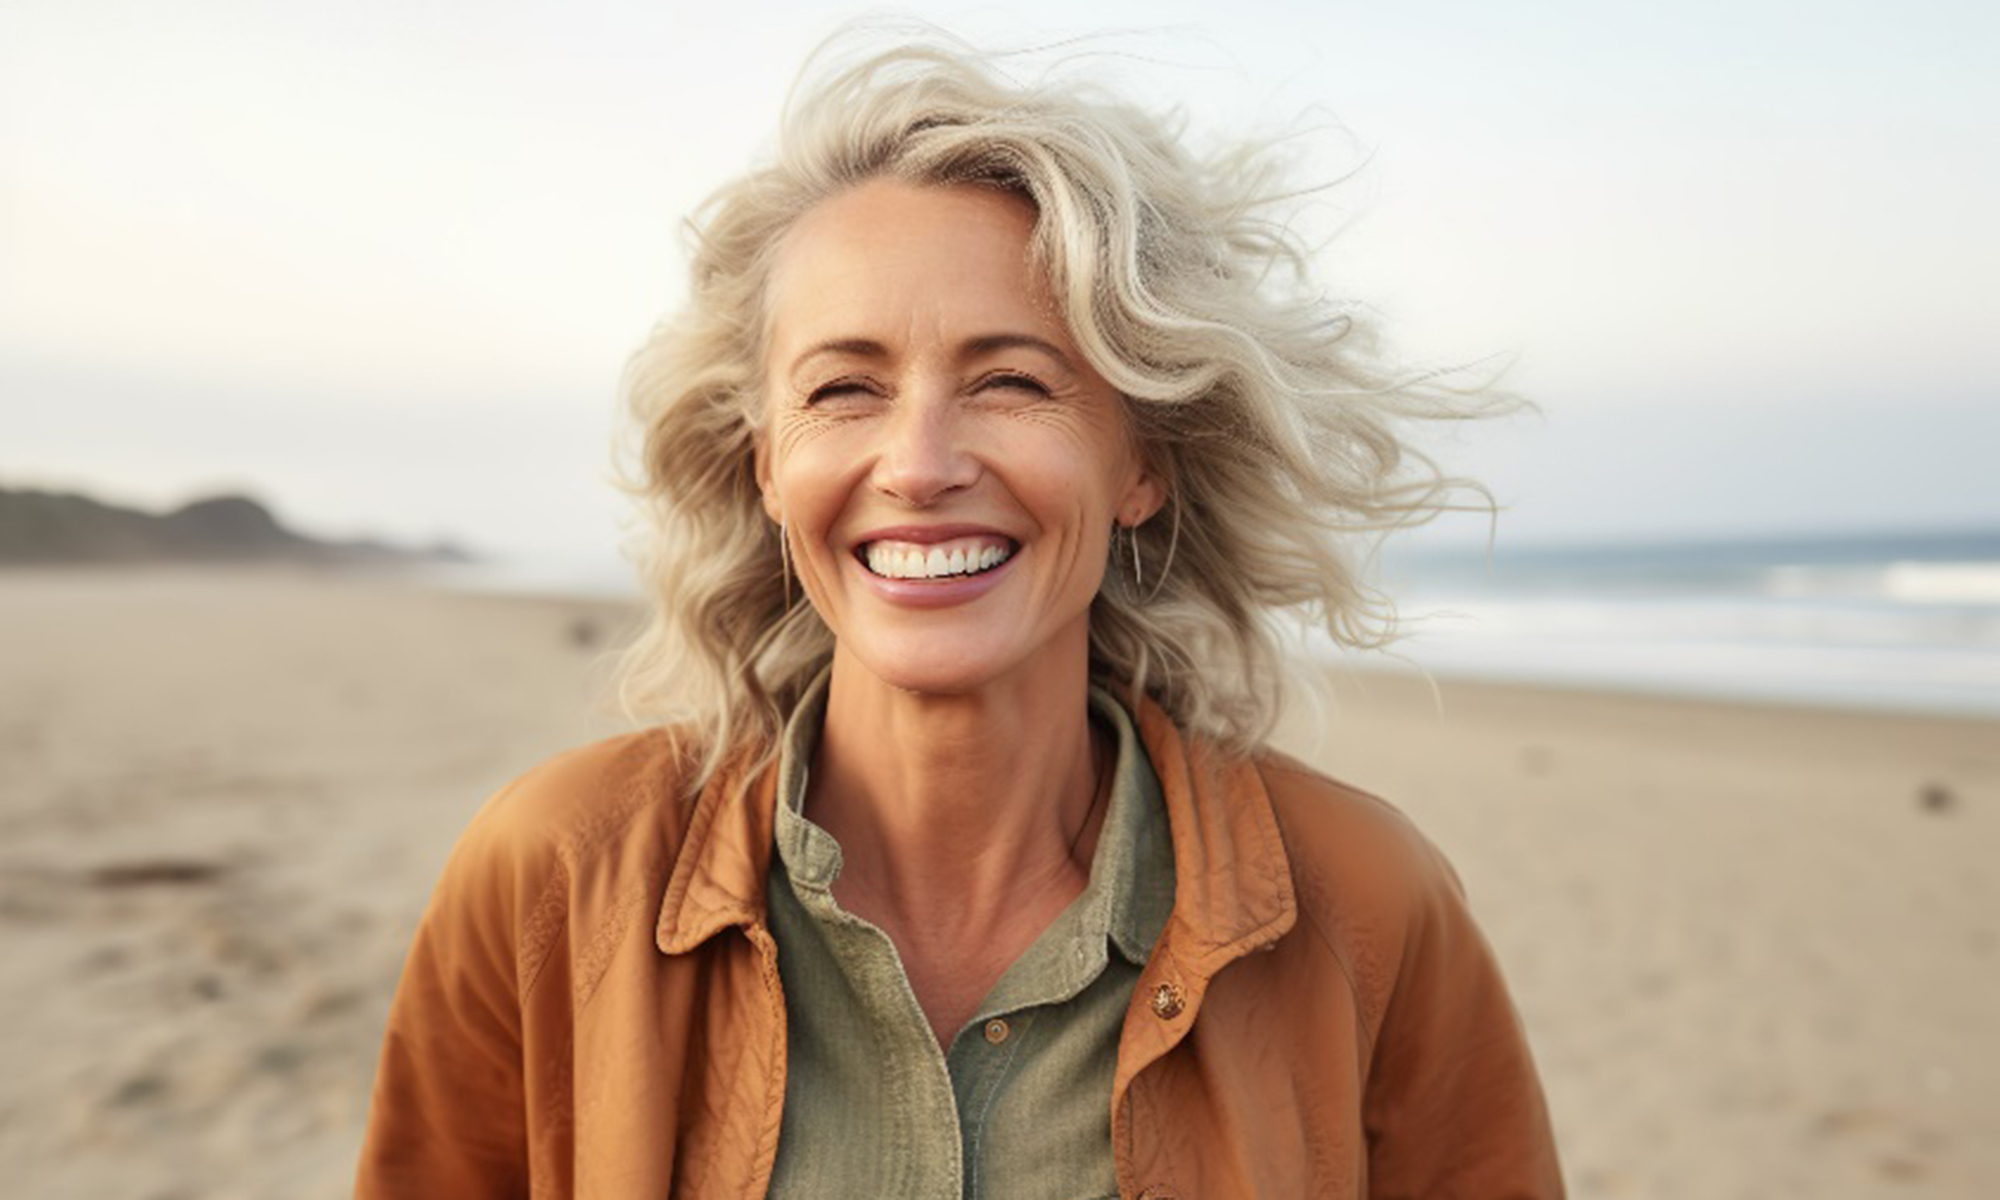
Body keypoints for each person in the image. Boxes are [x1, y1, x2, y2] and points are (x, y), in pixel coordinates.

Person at [354, 31, 1563, 1200]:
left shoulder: (1365, 902)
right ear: (766, 464)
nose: (919, 464)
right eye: (844, 389)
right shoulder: (553, 875)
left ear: (1138, 461)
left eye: (1009, 381)